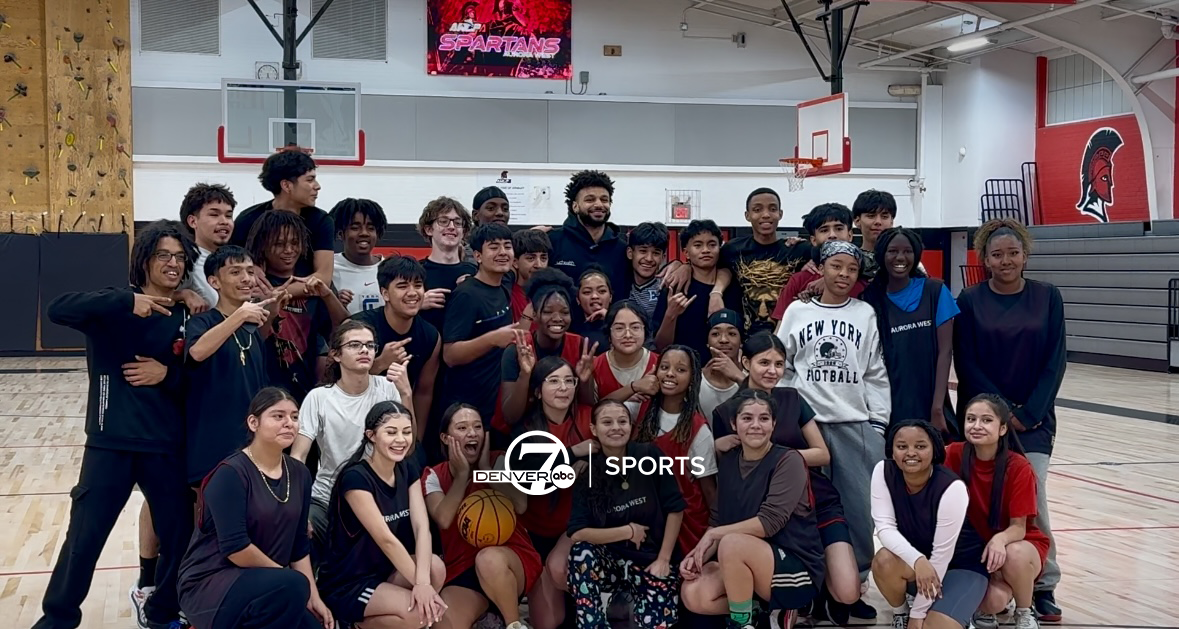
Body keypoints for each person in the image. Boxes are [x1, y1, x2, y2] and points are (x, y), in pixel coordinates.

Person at [34, 220, 196, 629]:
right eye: (164, 255)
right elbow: (57, 309)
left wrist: (169, 374)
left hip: (165, 446)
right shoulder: (110, 305)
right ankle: (57, 619)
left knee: (180, 539)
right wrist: (126, 301)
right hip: (110, 443)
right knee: (84, 540)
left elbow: (204, 378)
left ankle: (161, 612)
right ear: (143, 260)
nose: (173, 263)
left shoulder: (188, 313)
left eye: (179, 257)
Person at [953, 219, 1064, 622]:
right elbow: (966, 362)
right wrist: (1000, 414)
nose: (1005, 261)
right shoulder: (969, 299)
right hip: (985, 418)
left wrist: (1028, 414)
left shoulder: (1048, 297)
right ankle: (982, 574)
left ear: (1025, 255)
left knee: (1034, 501)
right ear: (984, 259)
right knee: (978, 500)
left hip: (1034, 422)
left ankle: (1044, 583)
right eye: (997, 254)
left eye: (1013, 253)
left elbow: (1056, 361)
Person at [775, 240, 890, 619]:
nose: (843, 274)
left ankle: (851, 590)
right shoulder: (797, 310)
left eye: (851, 269)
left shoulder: (865, 314)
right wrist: (787, 417)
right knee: (802, 510)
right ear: (821, 269)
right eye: (836, 266)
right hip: (807, 427)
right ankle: (809, 590)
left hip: (854, 424)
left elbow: (874, 372)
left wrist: (877, 424)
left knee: (859, 512)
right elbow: (783, 366)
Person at [712, 332, 859, 623]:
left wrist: (774, 456)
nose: (772, 371)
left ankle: (816, 598)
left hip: (816, 502)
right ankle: (777, 605)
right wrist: (715, 447)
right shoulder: (725, 412)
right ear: (746, 362)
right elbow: (728, 471)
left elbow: (822, 453)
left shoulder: (792, 398)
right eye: (764, 362)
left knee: (848, 591)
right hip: (768, 509)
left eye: (779, 364)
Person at [177, 388, 331, 629]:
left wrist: (314, 596)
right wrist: (287, 578)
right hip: (211, 585)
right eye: (278, 416)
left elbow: (300, 544)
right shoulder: (230, 474)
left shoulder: (300, 474)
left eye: (294, 416)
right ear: (253, 422)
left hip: (272, 585)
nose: (288, 423)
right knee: (294, 587)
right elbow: (236, 548)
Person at [679, 390, 824, 629]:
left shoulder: (789, 460)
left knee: (732, 543)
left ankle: (741, 623)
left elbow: (769, 523)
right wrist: (698, 555)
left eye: (764, 418)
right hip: (747, 560)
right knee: (693, 593)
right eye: (747, 418)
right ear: (734, 424)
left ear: (773, 424)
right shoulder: (728, 462)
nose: (756, 425)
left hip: (796, 566)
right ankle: (763, 613)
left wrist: (714, 535)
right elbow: (718, 520)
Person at [317, 401, 449, 629]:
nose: (401, 440)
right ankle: (351, 624)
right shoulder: (356, 478)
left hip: (387, 571)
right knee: (417, 614)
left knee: (435, 568)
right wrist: (420, 584)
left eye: (406, 432)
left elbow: (421, 528)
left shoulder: (407, 468)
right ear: (371, 436)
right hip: (350, 581)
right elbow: (385, 540)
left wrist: (424, 583)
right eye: (391, 432)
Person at [292, 320, 412, 563]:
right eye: (355, 345)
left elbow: (407, 447)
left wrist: (407, 394)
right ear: (336, 355)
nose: (365, 350)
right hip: (326, 498)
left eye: (369, 345)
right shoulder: (320, 397)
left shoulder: (387, 387)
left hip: (377, 497)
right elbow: (298, 456)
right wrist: (297, 508)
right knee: (298, 535)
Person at [567, 399, 686, 629]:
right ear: (594, 429)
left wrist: (664, 559)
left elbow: (675, 508)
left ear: (631, 426)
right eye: (607, 422)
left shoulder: (649, 454)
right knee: (581, 554)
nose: (616, 427)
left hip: (651, 559)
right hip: (610, 562)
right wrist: (627, 531)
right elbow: (578, 533)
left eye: (622, 421)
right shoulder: (588, 471)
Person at [423, 403, 542, 629]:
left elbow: (521, 504)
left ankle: (514, 624)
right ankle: (488, 619)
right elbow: (444, 518)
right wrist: (462, 477)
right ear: (445, 438)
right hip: (462, 566)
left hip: (509, 559)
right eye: (462, 427)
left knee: (487, 559)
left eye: (477, 427)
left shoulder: (501, 460)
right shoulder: (432, 475)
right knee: (442, 622)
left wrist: (487, 472)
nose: (472, 433)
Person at [944, 395, 1051, 629]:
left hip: (1017, 541)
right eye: (971, 419)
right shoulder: (952, 454)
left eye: (986, 420)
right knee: (992, 602)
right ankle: (996, 592)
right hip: (973, 546)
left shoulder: (1019, 467)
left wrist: (998, 540)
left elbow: (1019, 527)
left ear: (1003, 429)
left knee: (1013, 554)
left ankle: (1024, 612)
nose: (976, 426)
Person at [871, 419, 988, 629]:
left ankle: (957, 610)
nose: (911, 453)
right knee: (883, 560)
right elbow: (885, 529)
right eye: (902, 446)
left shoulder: (952, 487)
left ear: (934, 449)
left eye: (920, 446)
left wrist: (919, 615)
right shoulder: (883, 471)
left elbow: (941, 556)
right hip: (920, 564)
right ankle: (901, 613)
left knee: (933, 626)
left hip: (961, 566)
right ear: (892, 450)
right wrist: (917, 560)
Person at [184, 245, 284, 486]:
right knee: (208, 516)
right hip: (211, 442)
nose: (246, 278)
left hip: (249, 443)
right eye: (235, 272)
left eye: (250, 272)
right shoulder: (202, 321)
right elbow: (196, 352)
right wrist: (240, 316)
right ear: (214, 281)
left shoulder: (253, 331)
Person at [511, 356, 597, 629]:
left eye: (569, 381)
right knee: (547, 622)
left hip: (577, 527)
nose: (563, 388)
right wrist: (573, 454)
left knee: (565, 577)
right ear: (537, 391)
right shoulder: (525, 429)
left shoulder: (588, 417)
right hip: (535, 531)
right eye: (554, 381)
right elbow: (531, 477)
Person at [862, 228, 958, 434]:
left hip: (931, 403)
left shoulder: (936, 291)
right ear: (881, 255)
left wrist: (937, 408)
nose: (900, 257)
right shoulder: (869, 300)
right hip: (890, 406)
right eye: (892, 251)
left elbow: (945, 351)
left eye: (907, 251)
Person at [246, 210, 348, 402]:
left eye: (295, 243)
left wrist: (328, 295)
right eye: (279, 244)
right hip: (261, 392)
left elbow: (344, 329)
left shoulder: (315, 284)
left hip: (308, 392)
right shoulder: (253, 284)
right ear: (262, 245)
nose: (289, 250)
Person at [629, 346, 718, 555]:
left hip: (684, 524)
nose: (670, 373)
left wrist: (715, 534)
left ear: (692, 379)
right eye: (665, 367)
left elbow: (709, 491)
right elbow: (603, 409)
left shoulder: (699, 429)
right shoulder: (637, 410)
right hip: (641, 516)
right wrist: (635, 387)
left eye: (680, 370)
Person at [494, 268, 591, 433]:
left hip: (564, 430)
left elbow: (586, 404)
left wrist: (584, 381)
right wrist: (525, 375)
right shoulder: (516, 350)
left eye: (564, 312)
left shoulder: (579, 344)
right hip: (522, 432)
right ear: (534, 314)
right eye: (547, 312)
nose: (557, 318)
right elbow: (510, 417)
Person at [349, 255, 442, 428]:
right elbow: (337, 385)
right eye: (402, 286)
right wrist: (380, 363)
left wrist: (416, 441)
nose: (413, 292)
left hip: (398, 425)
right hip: (352, 420)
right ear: (385, 293)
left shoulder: (431, 336)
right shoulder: (356, 329)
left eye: (418, 285)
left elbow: (423, 393)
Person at [230, 149, 335, 300]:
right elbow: (229, 262)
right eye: (310, 180)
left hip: (309, 307)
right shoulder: (248, 219)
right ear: (286, 185)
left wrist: (274, 295)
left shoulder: (321, 221)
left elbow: (323, 277)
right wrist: (249, 268)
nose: (317, 186)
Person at [442, 223, 517, 428]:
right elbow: (450, 355)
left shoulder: (504, 284)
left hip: (495, 401)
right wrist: (493, 339)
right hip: (467, 404)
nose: (503, 252)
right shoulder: (466, 294)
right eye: (493, 247)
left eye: (507, 246)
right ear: (477, 256)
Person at [721, 188, 811, 336]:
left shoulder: (799, 250)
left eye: (773, 209)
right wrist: (679, 266)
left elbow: (832, 259)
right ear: (747, 215)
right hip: (743, 339)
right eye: (757, 209)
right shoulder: (732, 249)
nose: (766, 215)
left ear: (780, 214)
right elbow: (706, 268)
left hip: (787, 336)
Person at [653, 220, 741, 365]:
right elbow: (660, 345)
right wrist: (671, 314)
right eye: (698, 245)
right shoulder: (674, 287)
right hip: (684, 369)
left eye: (712, 244)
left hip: (722, 372)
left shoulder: (732, 286)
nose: (705, 250)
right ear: (686, 252)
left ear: (720, 248)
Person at [771, 203, 868, 321]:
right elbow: (782, 328)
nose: (832, 235)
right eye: (824, 230)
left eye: (838, 228)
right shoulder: (799, 280)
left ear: (850, 235)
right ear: (813, 240)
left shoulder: (863, 280)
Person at [548, 170, 630, 292]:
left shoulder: (623, 248)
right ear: (575, 206)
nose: (598, 204)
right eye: (590, 200)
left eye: (604, 200)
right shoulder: (552, 241)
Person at [418, 196, 478, 334]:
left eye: (457, 223)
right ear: (429, 230)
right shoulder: (415, 272)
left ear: (463, 231)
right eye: (443, 221)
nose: (451, 227)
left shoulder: (474, 273)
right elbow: (392, 313)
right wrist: (417, 304)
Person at [179, 182, 237, 309]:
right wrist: (182, 295)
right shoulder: (184, 262)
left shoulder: (239, 261)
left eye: (229, 215)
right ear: (193, 221)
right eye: (214, 215)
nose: (224, 222)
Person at [591, 301, 660, 402]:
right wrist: (629, 391)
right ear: (609, 333)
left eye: (635, 327)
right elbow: (590, 412)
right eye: (619, 328)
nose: (628, 335)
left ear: (645, 331)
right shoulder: (595, 366)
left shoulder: (660, 364)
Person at [330, 198, 388, 315]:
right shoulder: (329, 268)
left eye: (371, 228)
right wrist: (334, 303)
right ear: (341, 233)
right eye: (355, 228)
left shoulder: (390, 269)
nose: (364, 233)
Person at [698, 309, 744, 419]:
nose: (723, 340)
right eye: (715, 334)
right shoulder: (694, 380)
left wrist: (740, 379)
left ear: (741, 342)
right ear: (707, 342)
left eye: (732, 334)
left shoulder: (752, 378)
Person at [625, 222, 670, 320]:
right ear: (630, 253)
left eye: (656, 253)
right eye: (643, 251)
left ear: (663, 257)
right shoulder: (619, 285)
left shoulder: (667, 287)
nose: (649, 258)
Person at [852, 190, 898, 280]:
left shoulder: (902, 259)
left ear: (891, 222)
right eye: (871, 216)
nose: (878, 222)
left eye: (884, 217)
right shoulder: (848, 259)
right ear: (857, 221)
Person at [511, 229, 552, 321]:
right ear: (515, 262)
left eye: (543, 258)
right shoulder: (508, 296)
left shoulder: (553, 294)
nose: (539, 265)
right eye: (530, 258)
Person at [570, 266, 613, 355]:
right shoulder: (570, 329)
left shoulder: (622, 326)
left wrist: (611, 320)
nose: (594, 296)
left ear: (610, 297)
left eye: (601, 291)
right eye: (587, 292)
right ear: (578, 299)